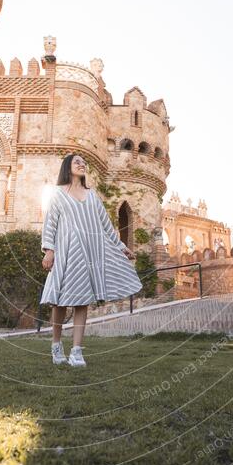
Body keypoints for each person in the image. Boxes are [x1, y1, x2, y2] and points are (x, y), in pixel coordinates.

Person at [41, 153, 143, 367]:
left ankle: (76, 351)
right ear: (68, 166)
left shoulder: (92, 195)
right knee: (58, 302)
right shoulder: (58, 194)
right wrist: (49, 250)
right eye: (77, 162)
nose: (82, 164)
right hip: (65, 252)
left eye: (83, 162)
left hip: (88, 254)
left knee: (82, 301)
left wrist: (122, 247)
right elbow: (50, 223)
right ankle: (56, 345)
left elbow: (106, 225)